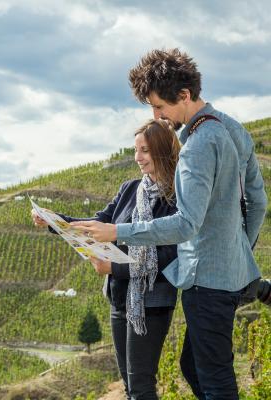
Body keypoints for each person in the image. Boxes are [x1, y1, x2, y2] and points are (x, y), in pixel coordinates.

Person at [71, 48, 267, 399]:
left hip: (205, 280)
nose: (157, 115)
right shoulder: (234, 129)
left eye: (159, 106)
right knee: (195, 367)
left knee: (215, 380)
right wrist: (239, 254)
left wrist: (118, 232)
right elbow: (258, 202)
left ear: (184, 95)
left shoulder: (196, 148)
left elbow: (186, 224)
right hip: (227, 275)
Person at [32, 119, 181, 399]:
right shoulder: (129, 189)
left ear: (162, 151)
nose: (137, 157)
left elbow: (168, 257)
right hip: (119, 298)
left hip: (151, 303)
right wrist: (54, 221)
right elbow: (98, 222)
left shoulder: (175, 198)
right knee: (129, 386)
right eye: (135, 150)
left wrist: (114, 267)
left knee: (141, 387)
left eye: (145, 150)